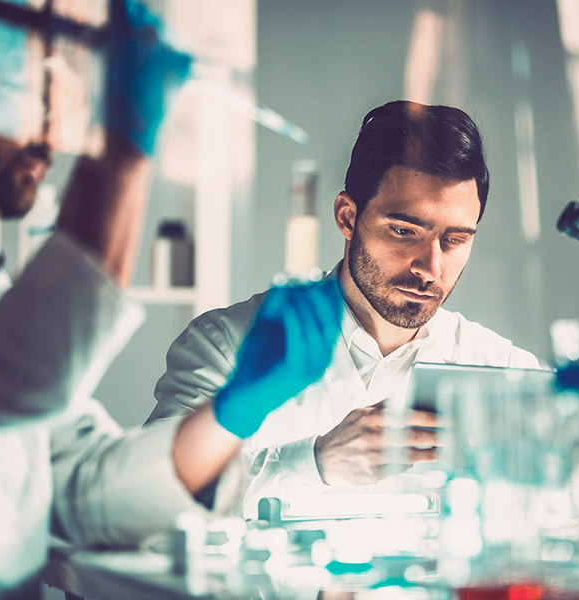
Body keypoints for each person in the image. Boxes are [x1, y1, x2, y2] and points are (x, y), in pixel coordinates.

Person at [0, 2, 341, 598]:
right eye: (22, 83)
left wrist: (235, 411)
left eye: (62, 88)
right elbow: (19, 376)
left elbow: (82, 485)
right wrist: (125, 147)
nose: (53, 121)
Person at [147, 100, 540, 519]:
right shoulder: (224, 346)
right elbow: (151, 500)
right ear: (348, 216)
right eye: (404, 231)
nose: (431, 268)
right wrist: (313, 464)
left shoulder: (507, 371)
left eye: (455, 240)